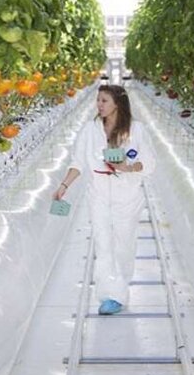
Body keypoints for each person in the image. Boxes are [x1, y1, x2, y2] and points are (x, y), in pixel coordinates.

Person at [53, 84, 157, 315]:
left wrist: (128, 167)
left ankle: (119, 290)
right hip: (98, 192)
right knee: (103, 244)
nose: (99, 105)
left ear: (117, 104)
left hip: (127, 193)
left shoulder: (136, 130)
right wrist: (63, 186)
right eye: (98, 100)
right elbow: (78, 162)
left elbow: (149, 163)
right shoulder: (90, 130)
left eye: (104, 101)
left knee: (123, 245)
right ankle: (109, 296)